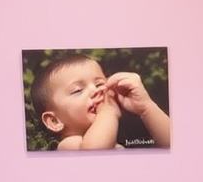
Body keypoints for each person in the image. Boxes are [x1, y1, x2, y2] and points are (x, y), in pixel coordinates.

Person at [29, 53, 171, 150]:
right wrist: (108, 111)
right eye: (78, 90)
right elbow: (93, 151)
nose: (96, 91)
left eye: (99, 84)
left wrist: (146, 107)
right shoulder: (69, 144)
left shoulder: (119, 135)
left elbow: (173, 144)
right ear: (54, 121)